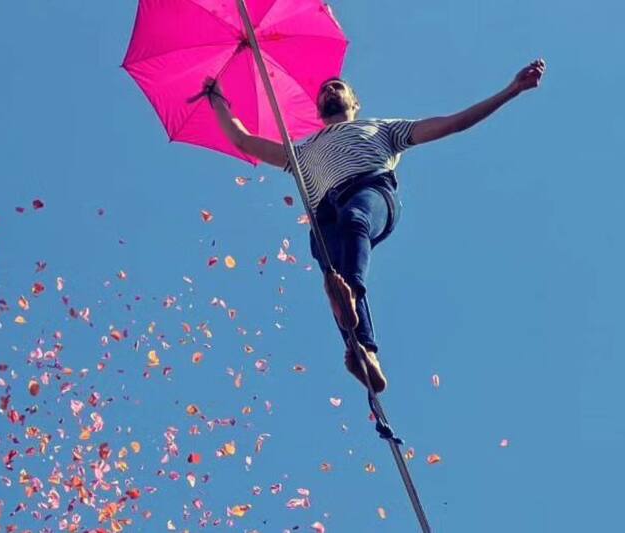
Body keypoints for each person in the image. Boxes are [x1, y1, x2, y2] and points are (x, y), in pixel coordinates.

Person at [203, 59, 546, 394]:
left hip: (370, 191)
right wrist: (217, 100)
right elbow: (244, 140)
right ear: (318, 109)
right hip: (325, 212)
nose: (330, 89)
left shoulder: (383, 128)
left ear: (354, 102)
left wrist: (511, 90)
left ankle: (349, 293)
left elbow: (453, 123)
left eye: (338, 86)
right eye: (324, 90)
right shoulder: (301, 151)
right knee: (329, 261)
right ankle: (365, 353)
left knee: (355, 223)